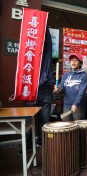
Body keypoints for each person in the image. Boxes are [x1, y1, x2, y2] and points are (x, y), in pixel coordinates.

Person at [18, 27, 54, 155]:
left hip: (44, 90)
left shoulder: (47, 53)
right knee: (29, 122)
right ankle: (27, 146)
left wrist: (44, 24)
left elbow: (48, 43)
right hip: (30, 90)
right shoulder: (28, 52)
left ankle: (42, 143)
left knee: (45, 121)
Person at [54, 54, 87, 121]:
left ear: (81, 63)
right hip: (67, 105)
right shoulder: (66, 75)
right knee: (67, 127)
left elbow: (82, 92)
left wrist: (76, 104)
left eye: (76, 60)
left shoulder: (83, 76)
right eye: (72, 60)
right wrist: (58, 89)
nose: (73, 62)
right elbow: (62, 87)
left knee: (78, 127)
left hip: (78, 106)